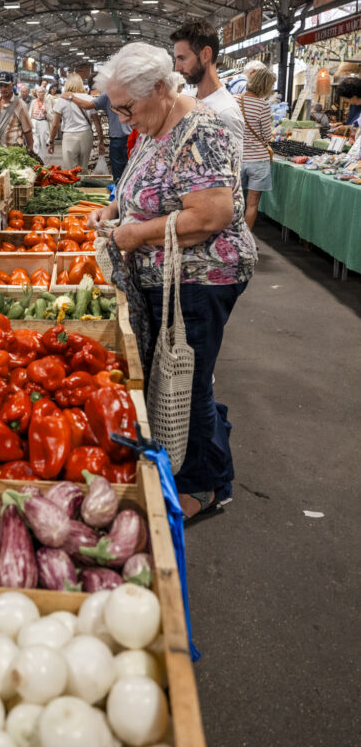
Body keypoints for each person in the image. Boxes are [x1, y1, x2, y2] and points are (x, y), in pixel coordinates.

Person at [85, 42, 257, 520]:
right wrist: (115, 208)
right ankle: (212, 439)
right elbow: (146, 179)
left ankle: (206, 486)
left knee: (190, 379)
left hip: (202, 279)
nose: (123, 120)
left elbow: (214, 213)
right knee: (184, 373)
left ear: (159, 88)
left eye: (127, 108)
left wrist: (136, 232)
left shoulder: (200, 129)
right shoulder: (160, 121)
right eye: (116, 109)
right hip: (173, 277)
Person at [171, 19, 244, 149]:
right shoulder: (186, 99)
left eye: (182, 58)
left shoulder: (226, 112)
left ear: (205, 55)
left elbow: (232, 167)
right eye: (176, 59)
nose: (177, 68)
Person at [61, 87, 131, 183]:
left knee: (118, 174)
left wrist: (71, 97)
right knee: (131, 171)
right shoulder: (135, 93)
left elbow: (87, 105)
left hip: (117, 139)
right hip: (135, 138)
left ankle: (119, 192)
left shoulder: (108, 94)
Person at [237, 67, 276, 229]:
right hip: (258, 160)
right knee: (252, 204)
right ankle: (246, 242)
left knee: (234, 200)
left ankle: (229, 239)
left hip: (237, 158)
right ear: (266, 87)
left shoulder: (234, 100)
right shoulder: (263, 106)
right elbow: (267, 137)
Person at [48, 74, 105, 170]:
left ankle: (74, 185)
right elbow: (97, 122)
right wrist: (101, 141)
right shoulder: (89, 98)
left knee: (70, 170)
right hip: (86, 135)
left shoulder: (62, 100)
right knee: (83, 168)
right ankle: (82, 184)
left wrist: (51, 142)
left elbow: (55, 125)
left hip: (69, 137)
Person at [0, 75, 33, 150]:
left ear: (12, 86)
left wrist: (30, 148)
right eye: (1, 86)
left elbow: (27, 130)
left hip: (13, 151)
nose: (3, 89)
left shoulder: (20, 105)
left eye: (6, 86)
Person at [31, 86, 51, 161]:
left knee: (42, 143)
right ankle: (36, 159)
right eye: (38, 92)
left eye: (41, 92)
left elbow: (51, 117)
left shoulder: (47, 102)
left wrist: (46, 113)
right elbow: (30, 113)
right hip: (34, 122)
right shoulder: (33, 102)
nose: (39, 94)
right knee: (35, 143)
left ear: (44, 93)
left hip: (43, 122)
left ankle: (42, 160)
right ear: (36, 93)